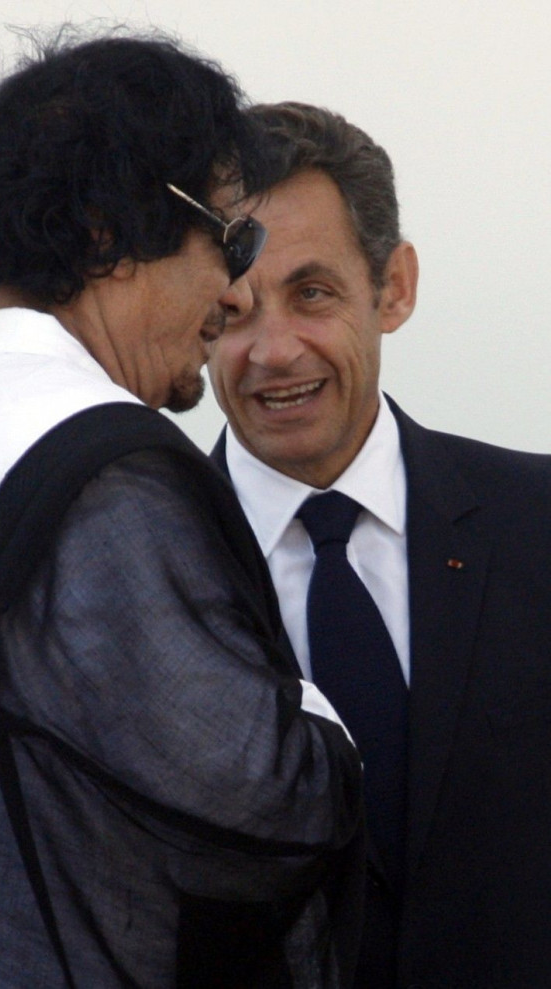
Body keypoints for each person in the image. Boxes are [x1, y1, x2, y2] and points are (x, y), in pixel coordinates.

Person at [0, 36, 364, 989]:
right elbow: (268, 798)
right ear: (109, 232)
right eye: (231, 241)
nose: (233, 294)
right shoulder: (106, 476)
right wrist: (323, 720)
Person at [208, 101, 551, 989]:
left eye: (312, 292)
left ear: (392, 287)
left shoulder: (539, 521)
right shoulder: (125, 568)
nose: (272, 350)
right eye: (234, 308)